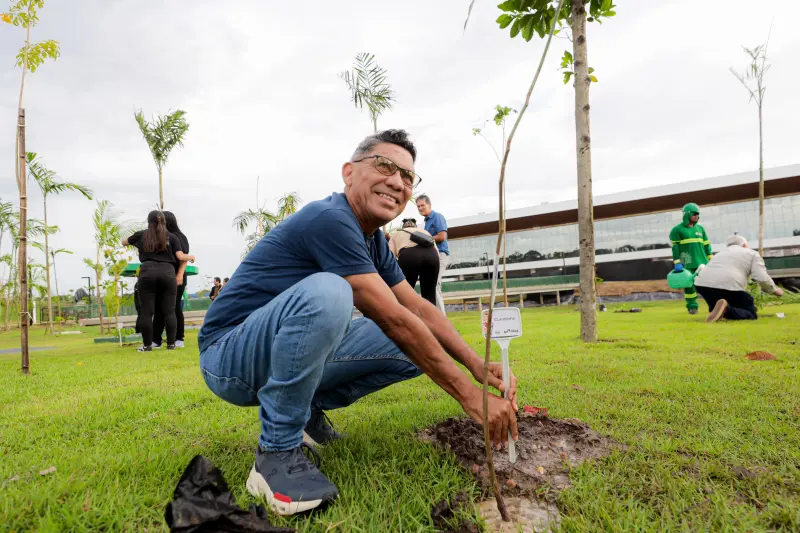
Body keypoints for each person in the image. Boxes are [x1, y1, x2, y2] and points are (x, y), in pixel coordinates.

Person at [198, 130, 518, 516]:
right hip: (228, 356)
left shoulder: (374, 241)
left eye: (408, 176)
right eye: (385, 166)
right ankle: (275, 454)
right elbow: (394, 320)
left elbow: (417, 308)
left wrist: (475, 363)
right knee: (331, 294)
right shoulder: (329, 218)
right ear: (349, 172)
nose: (398, 181)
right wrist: (469, 395)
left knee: (419, 344)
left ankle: (305, 412)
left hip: (277, 351)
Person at [123, 211, 194, 352]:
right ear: (162, 222)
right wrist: (190, 256)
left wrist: (132, 241)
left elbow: (124, 242)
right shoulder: (172, 237)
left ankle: (147, 345)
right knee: (169, 311)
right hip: (167, 273)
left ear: (148, 221)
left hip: (147, 272)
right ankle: (171, 344)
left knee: (147, 312)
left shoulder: (141, 235)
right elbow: (180, 255)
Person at [695, 234, 783, 322]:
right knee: (750, 311)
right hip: (728, 284)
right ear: (744, 245)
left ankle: (717, 310)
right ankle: (726, 309)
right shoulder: (752, 254)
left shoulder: (720, 253)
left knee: (718, 302)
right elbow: (761, 277)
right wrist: (774, 290)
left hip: (702, 284)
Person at [152, 211, 191, 349]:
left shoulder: (179, 237)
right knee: (158, 308)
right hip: (161, 277)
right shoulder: (159, 237)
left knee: (173, 308)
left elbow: (184, 258)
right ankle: (156, 339)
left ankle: (178, 338)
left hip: (176, 277)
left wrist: (179, 275)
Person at [669, 202, 713, 315]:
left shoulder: (701, 229)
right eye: (694, 213)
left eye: (698, 214)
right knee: (689, 287)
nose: (696, 216)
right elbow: (675, 248)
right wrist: (677, 262)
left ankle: (713, 306)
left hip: (703, 263)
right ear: (687, 214)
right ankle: (692, 307)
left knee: (709, 286)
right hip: (687, 263)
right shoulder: (677, 230)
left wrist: (711, 259)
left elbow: (707, 245)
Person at [389, 218, 439, 306]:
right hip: (432, 256)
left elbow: (390, 257)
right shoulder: (425, 232)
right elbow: (437, 253)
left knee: (405, 294)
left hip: (408, 256)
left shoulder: (396, 234)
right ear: (415, 225)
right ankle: (431, 319)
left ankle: (406, 318)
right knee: (429, 294)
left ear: (403, 226)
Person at [415, 194, 449, 314]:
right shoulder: (426, 221)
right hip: (432, 257)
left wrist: (425, 239)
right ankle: (436, 317)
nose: (420, 208)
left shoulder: (437, 217)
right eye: (418, 206)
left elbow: (442, 236)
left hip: (440, 255)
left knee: (434, 285)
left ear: (429, 205)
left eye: (422, 205)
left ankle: (442, 320)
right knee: (430, 287)